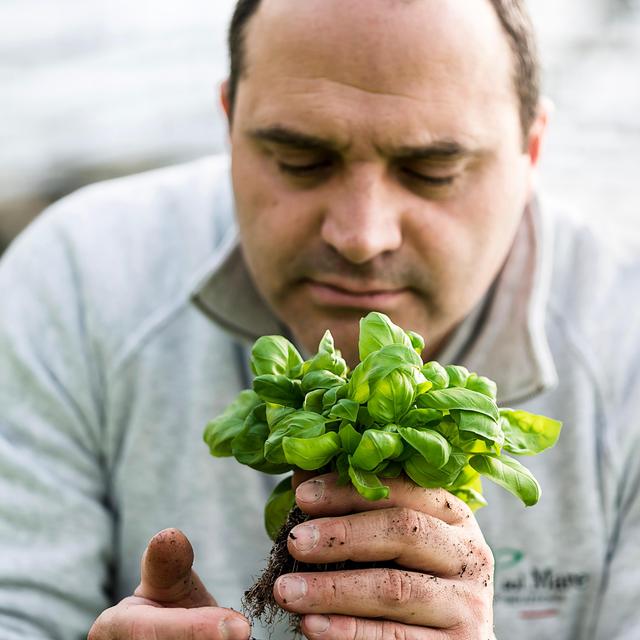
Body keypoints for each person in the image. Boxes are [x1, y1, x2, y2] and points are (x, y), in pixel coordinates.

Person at [1, 0, 638, 638]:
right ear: (229, 125)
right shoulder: (77, 281)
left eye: (432, 171)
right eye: (300, 161)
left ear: (532, 150)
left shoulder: (623, 337)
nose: (361, 235)